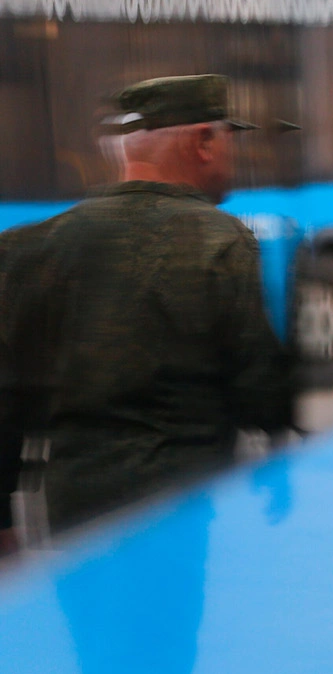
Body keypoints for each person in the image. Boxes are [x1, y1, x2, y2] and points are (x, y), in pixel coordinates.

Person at [0, 74, 296, 547]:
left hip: (72, 511)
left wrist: (3, 516)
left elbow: (7, 391)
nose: (231, 155)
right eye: (227, 138)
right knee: (163, 621)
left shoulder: (37, 248)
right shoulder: (220, 242)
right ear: (203, 142)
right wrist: (279, 461)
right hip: (176, 510)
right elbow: (258, 383)